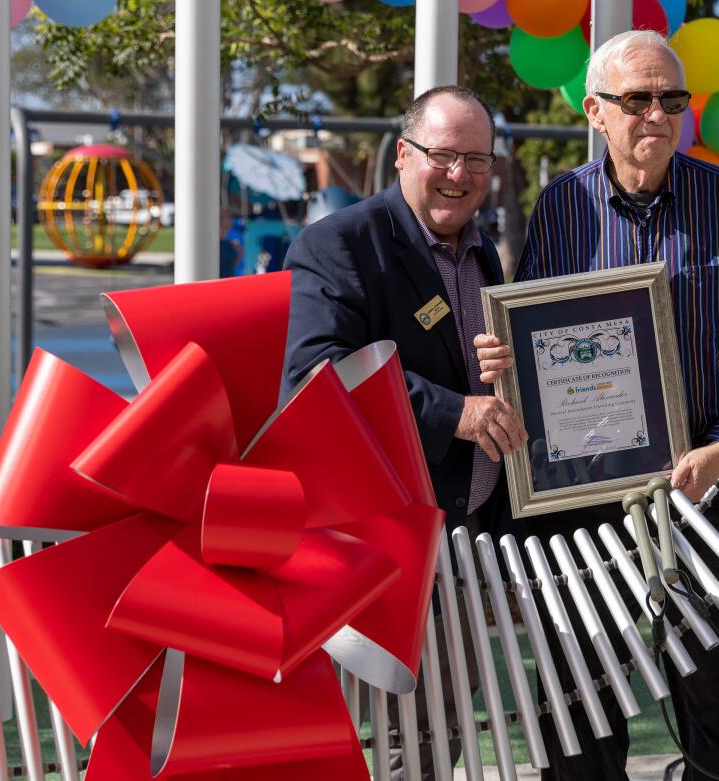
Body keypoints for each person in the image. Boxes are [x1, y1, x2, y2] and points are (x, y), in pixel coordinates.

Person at [476, 30, 719, 781]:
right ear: (595, 111)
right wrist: (504, 363)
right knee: (580, 705)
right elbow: (535, 351)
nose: (657, 115)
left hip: (708, 497)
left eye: (672, 99)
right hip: (589, 506)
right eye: (637, 99)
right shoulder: (560, 209)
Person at [282, 85, 528, 779]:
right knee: (397, 732)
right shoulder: (340, 243)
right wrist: (457, 410)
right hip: (381, 543)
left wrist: (503, 380)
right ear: (403, 156)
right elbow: (314, 376)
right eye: (443, 155)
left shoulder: (483, 255)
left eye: (475, 159)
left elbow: (472, 371)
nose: (459, 174)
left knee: (439, 725)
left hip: (468, 532)